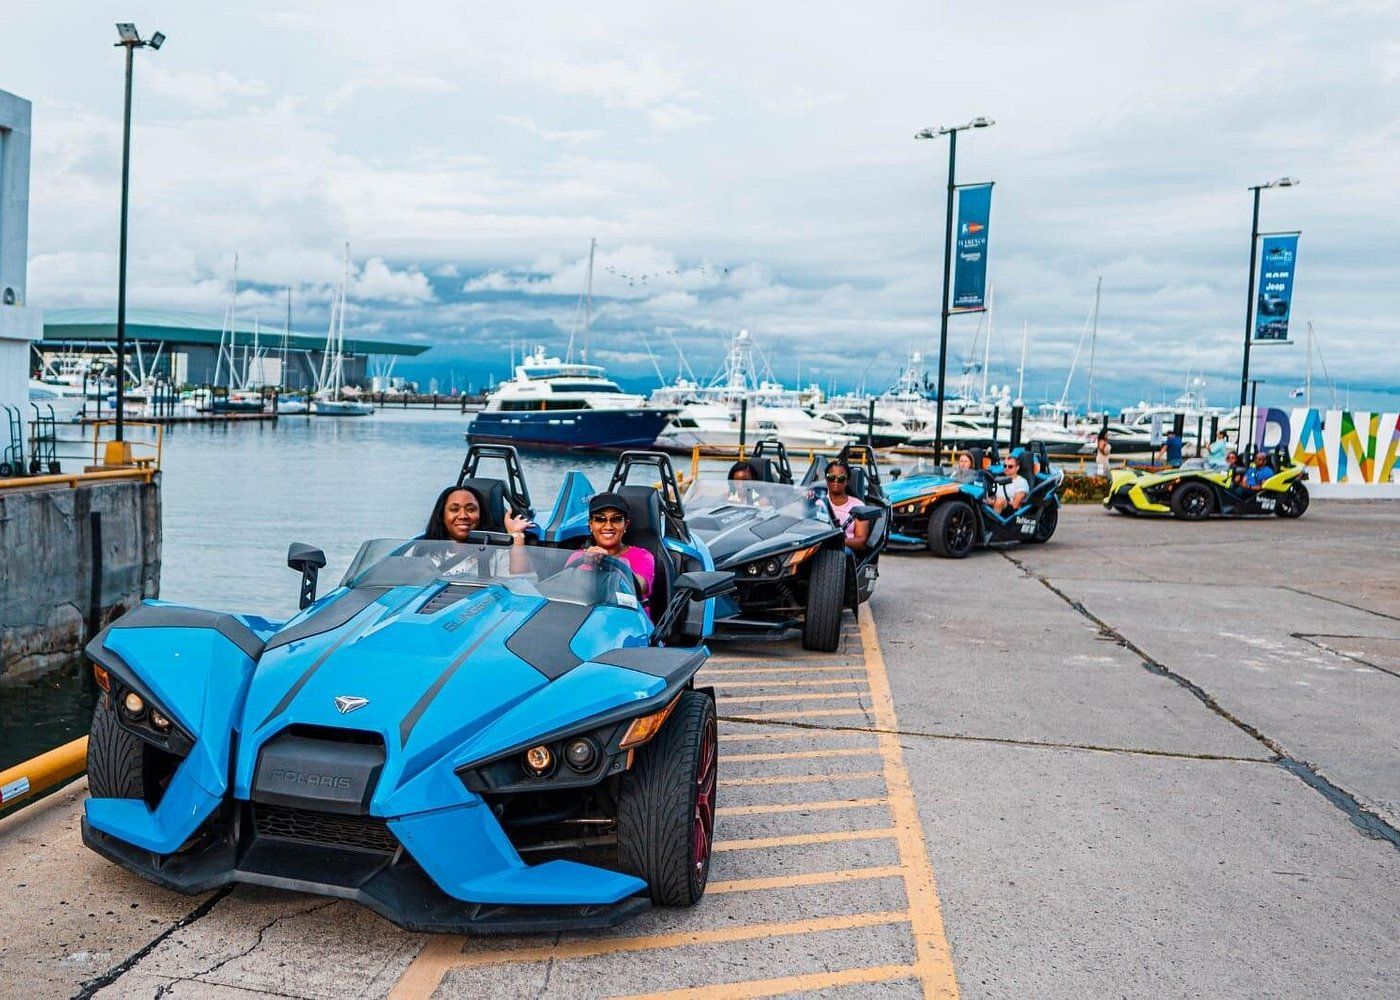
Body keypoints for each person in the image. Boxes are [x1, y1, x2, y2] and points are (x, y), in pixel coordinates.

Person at [567, 493, 655, 612]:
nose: (608, 526)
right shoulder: (578, 556)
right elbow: (566, 590)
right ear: (591, 525)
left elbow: (640, 586)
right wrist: (590, 563)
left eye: (616, 519)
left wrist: (607, 561)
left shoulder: (643, 556)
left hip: (630, 622)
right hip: (586, 620)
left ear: (626, 525)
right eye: (599, 519)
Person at [823, 460, 870, 552]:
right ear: (826, 479)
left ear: (847, 481)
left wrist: (836, 542)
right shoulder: (819, 502)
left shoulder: (858, 505)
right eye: (831, 477)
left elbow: (861, 540)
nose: (835, 481)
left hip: (843, 550)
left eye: (841, 479)